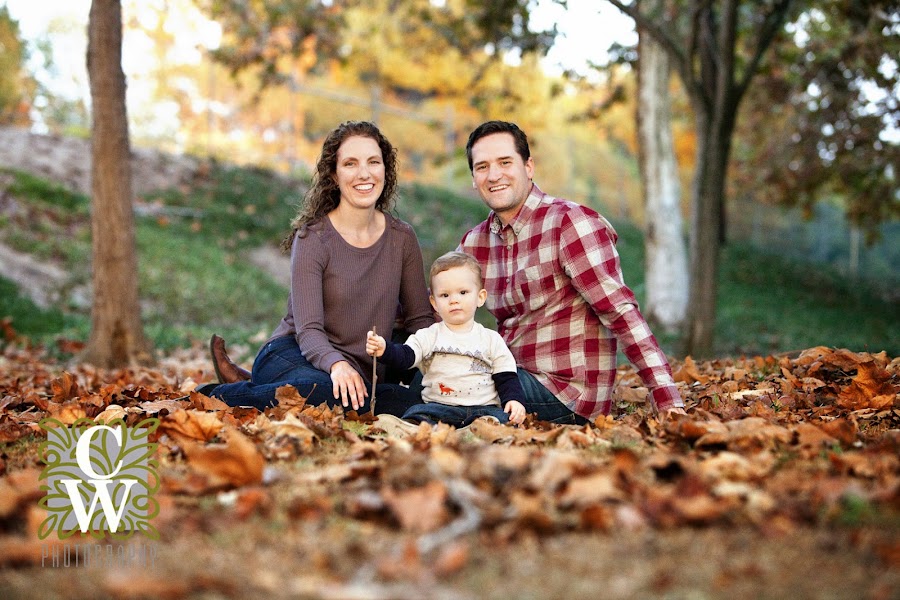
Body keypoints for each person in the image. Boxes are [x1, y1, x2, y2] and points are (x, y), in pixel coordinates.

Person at [199, 121, 435, 416]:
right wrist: (337, 364)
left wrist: (445, 364)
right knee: (329, 394)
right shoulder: (314, 237)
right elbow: (308, 330)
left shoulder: (402, 238)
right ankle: (214, 396)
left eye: (373, 162)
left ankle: (254, 387)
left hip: (361, 374)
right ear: (334, 176)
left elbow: (419, 319)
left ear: (385, 170)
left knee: (407, 404)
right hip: (294, 354)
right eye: (350, 163)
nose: (364, 173)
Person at [458, 120, 685, 425]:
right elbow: (445, 311)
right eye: (482, 166)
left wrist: (666, 398)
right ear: (473, 178)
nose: (494, 175)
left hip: (567, 392)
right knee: (428, 382)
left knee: (456, 388)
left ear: (528, 167)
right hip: (509, 378)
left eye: (505, 162)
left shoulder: (569, 224)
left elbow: (620, 313)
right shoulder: (474, 243)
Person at [365, 251, 527, 428]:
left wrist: (514, 400)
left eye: (463, 292)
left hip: (483, 409)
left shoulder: (491, 339)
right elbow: (406, 356)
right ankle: (420, 429)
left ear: (480, 297)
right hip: (438, 408)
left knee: (500, 420)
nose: (454, 300)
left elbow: (506, 376)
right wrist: (384, 350)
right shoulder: (430, 335)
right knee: (416, 413)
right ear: (434, 303)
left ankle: (475, 432)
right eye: (445, 295)